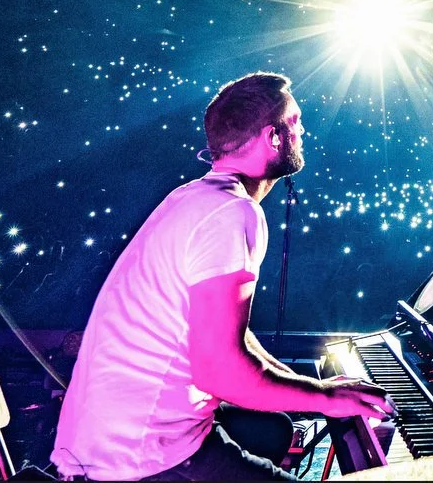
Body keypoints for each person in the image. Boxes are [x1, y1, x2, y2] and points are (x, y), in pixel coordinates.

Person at [52, 72, 394, 481]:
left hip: (109, 435)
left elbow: (231, 334)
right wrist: (323, 398)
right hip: (141, 457)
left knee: (277, 429)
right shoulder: (231, 214)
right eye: (296, 122)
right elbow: (220, 373)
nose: (303, 131)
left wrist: (305, 385)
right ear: (273, 137)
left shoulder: (194, 197)